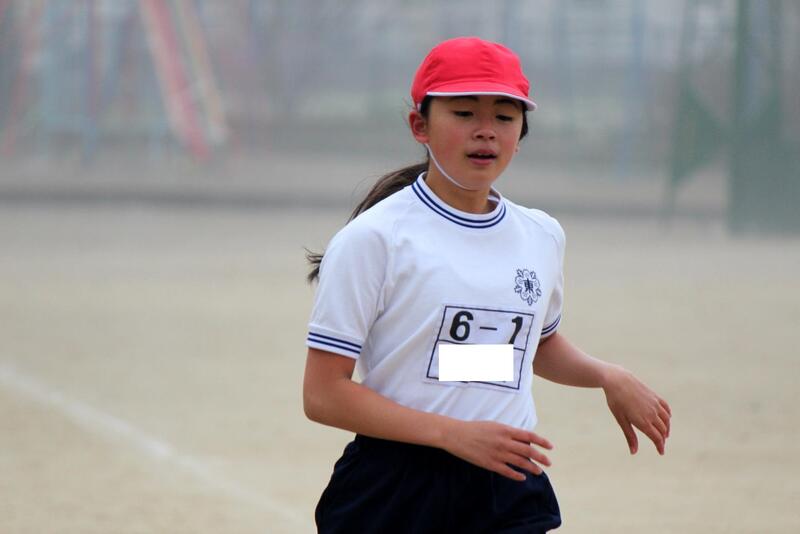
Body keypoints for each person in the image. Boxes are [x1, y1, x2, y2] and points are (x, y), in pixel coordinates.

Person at [302, 36, 671, 533]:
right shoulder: (374, 240)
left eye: (503, 116)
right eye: (464, 113)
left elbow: (527, 349)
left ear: (520, 134)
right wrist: (453, 434)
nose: (486, 131)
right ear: (419, 126)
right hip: (394, 489)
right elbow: (323, 395)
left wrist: (607, 375)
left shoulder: (541, 235)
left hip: (507, 486)